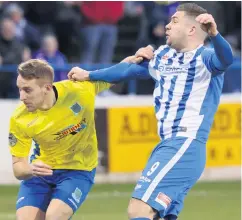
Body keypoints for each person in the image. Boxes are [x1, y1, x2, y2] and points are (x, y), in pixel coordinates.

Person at [67, 3, 233, 220]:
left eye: (174, 21)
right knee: (157, 215)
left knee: (139, 209)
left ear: (192, 30)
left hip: (185, 143)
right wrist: (90, 74)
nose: (166, 26)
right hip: (168, 144)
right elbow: (128, 70)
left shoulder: (206, 58)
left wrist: (215, 34)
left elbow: (227, 59)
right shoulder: (163, 55)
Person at [8, 57, 143, 220]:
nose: (21, 97)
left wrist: (137, 57)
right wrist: (29, 169)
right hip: (41, 173)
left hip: (78, 170)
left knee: (54, 216)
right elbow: (18, 167)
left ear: (47, 88)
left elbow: (117, 73)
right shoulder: (20, 118)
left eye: (27, 90)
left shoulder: (79, 90)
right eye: (19, 89)